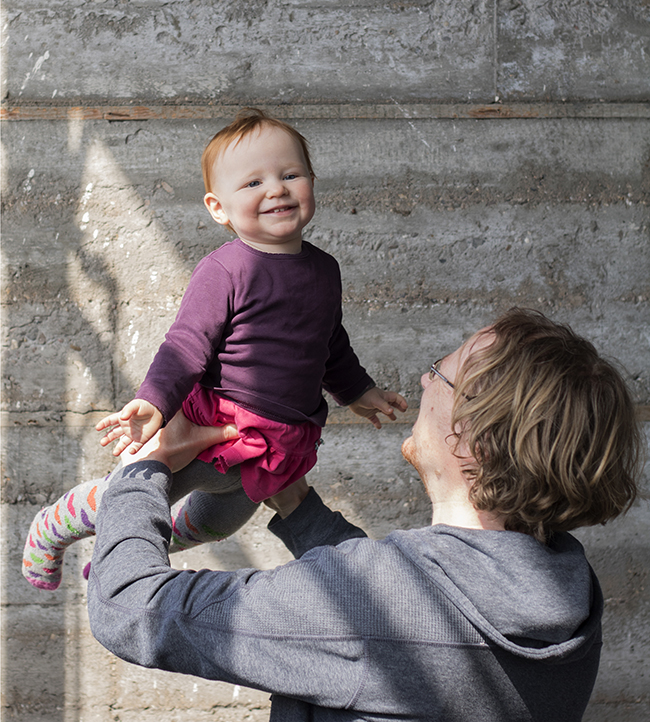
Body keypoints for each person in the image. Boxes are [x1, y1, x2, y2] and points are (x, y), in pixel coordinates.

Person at [87, 307, 642, 722]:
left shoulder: (371, 604)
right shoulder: (571, 599)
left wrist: (145, 468)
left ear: (477, 440)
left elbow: (129, 607)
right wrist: (297, 504)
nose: (424, 382)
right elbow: (402, 607)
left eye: (439, 374)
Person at [22, 109, 406, 590]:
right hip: (214, 423)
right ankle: (56, 524)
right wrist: (155, 402)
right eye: (253, 183)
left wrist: (358, 391)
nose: (277, 189)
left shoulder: (324, 269)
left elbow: (329, 343)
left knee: (217, 524)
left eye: (291, 175)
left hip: (279, 440)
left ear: (311, 182)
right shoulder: (226, 270)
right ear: (218, 207)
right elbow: (186, 345)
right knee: (138, 497)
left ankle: (118, 558)